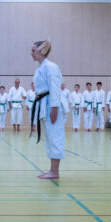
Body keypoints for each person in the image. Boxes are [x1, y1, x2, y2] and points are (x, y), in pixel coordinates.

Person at [30, 40, 65, 180]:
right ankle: (52, 170)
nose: (31, 53)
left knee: (55, 136)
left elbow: (55, 88)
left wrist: (54, 108)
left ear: (41, 51)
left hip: (52, 104)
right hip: (45, 104)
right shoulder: (40, 68)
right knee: (50, 137)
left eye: (33, 50)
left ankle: (55, 172)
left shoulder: (51, 67)